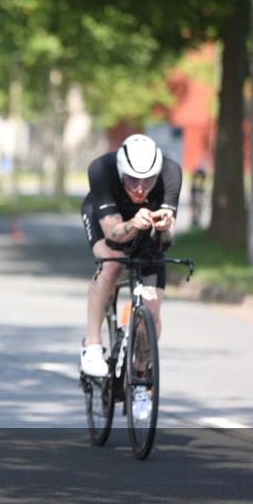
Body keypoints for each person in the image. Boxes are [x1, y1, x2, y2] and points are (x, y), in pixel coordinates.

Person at [79, 134, 182, 377]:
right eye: (132, 180)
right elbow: (114, 234)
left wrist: (165, 227)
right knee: (111, 264)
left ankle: (140, 377)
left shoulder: (171, 173)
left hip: (146, 225)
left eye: (148, 181)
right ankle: (92, 346)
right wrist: (135, 224)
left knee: (153, 311)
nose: (139, 188)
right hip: (107, 220)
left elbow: (165, 242)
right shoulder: (101, 169)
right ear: (121, 171)